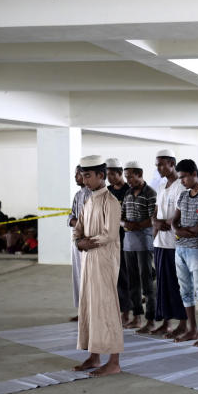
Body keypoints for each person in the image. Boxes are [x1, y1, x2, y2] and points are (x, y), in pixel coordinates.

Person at [71, 155, 123, 377]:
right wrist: (77, 240)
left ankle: (114, 362)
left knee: (107, 308)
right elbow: (77, 226)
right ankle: (94, 355)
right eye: (83, 175)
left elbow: (109, 234)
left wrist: (85, 242)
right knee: (90, 306)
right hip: (88, 260)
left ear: (101, 175)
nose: (84, 180)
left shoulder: (110, 202)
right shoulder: (89, 200)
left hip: (104, 261)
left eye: (88, 175)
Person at [171, 159, 198, 345]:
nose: (182, 181)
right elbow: (174, 222)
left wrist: (181, 232)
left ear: (194, 174)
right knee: (185, 290)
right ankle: (192, 330)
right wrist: (179, 231)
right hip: (180, 249)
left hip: (197, 249)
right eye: (180, 178)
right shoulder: (183, 196)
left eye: (184, 177)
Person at [149, 149, 189, 339]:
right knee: (163, 284)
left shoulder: (182, 185)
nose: (159, 167)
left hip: (175, 243)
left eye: (162, 163)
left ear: (172, 163)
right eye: (157, 164)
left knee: (177, 284)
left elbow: (179, 214)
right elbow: (156, 211)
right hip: (160, 242)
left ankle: (183, 323)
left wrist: (165, 223)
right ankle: (166, 322)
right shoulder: (162, 185)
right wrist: (156, 222)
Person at [121, 160, 158, 331]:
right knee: (132, 282)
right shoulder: (128, 193)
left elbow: (152, 219)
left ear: (140, 175)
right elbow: (121, 217)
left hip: (144, 243)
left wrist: (135, 225)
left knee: (147, 282)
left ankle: (150, 320)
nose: (128, 180)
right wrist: (125, 224)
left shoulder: (150, 193)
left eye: (130, 177)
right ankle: (137, 317)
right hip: (129, 244)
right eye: (126, 177)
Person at [106, 158, 132, 324]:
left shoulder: (129, 191)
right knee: (111, 277)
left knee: (124, 276)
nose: (109, 178)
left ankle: (127, 312)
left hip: (126, 239)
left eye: (112, 175)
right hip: (109, 238)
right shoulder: (106, 191)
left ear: (120, 173)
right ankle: (115, 309)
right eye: (107, 175)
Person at [69, 166, 92, 321]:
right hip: (76, 241)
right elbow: (70, 217)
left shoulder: (93, 195)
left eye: (78, 174)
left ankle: (92, 312)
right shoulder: (78, 195)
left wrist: (79, 223)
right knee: (78, 277)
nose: (75, 176)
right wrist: (76, 222)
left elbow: (91, 222)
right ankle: (82, 311)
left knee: (89, 277)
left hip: (88, 242)